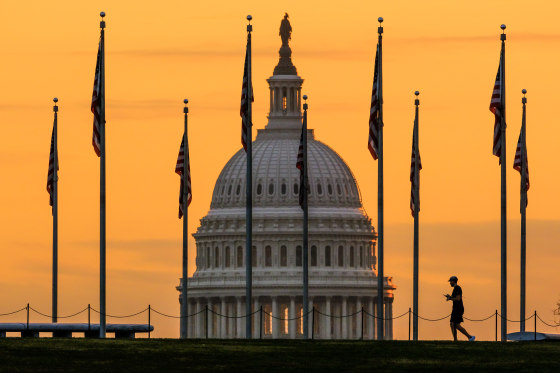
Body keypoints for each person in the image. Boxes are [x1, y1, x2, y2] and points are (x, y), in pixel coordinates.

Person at [444, 276, 475, 341]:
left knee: (455, 324)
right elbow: (455, 298)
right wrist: (450, 297)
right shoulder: (455, 289)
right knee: (453, 324)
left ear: (454, 281)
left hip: (458, 309)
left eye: (450, 281)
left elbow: (458, 299)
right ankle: (462, 338)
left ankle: (468, 337)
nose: (450, 283)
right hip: (456, 309)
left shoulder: (457, 288)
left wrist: (450, 298)